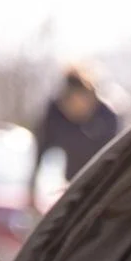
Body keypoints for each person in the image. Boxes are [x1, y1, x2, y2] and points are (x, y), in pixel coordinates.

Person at [28, 68, 121, 209]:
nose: (78, 108)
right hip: (72, 182)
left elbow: (116, 157)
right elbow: (40, 150)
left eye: (82, 101)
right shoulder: (55, 115)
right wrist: (31, 190)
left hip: (102, 183)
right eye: (72, 103)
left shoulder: (107, 116)